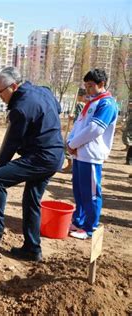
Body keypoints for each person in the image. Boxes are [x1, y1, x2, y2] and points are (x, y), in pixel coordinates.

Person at [0, 67, 64, 262]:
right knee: (31, 200)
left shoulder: (21, 108)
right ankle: (32, 249)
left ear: (14, 86)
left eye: (0, 92)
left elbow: (12, 144)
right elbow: (58, 108)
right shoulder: (44, 91)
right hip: (55, 154)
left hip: (42, 156)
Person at [67, 69, 119, 240]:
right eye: (86, 86)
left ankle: (90, 227)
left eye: (90, 86)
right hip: (80, 154)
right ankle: (78, 220)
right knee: (79, 192)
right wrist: (70, 142)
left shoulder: (107, 104)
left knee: (91, 193)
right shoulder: (92, 102)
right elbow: (80, 126)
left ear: (101, 84)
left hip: (91, 155)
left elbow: (95, 129)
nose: (87, 89)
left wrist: (74, 144)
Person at [62, 88, 87, 172]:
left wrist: (72, 118)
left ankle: (70, 165)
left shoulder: (80, 104)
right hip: (82, 131)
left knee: (68, 145)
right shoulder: (87, 104)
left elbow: (78, 118)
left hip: (78, 130)